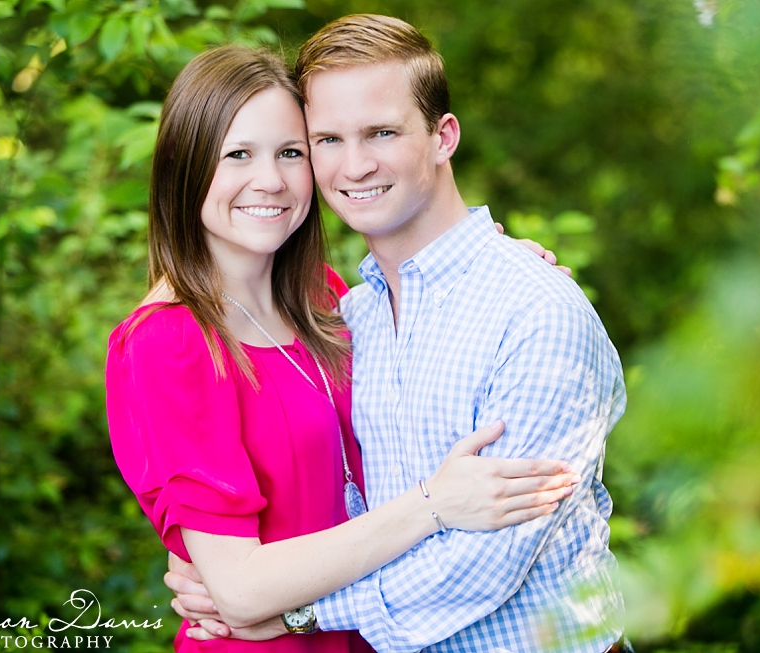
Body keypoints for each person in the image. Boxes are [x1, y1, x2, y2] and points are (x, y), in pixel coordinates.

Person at [167, 14, 630, 653]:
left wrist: (295, 613)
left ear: (443, 136)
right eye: (326, 139)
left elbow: (486, 563)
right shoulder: (347, 318)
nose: (354, 166)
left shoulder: (536, 312)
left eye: (381, 133)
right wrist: (229, 575)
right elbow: (357, 513)